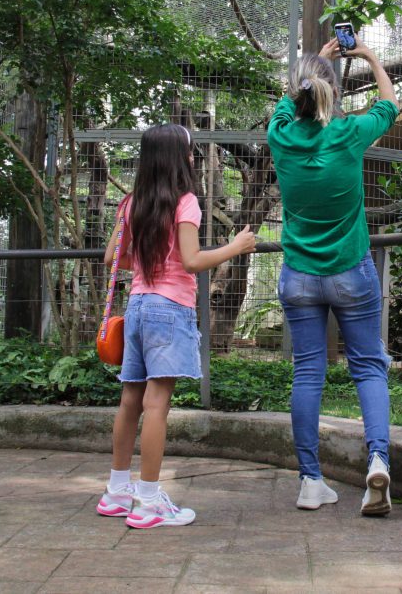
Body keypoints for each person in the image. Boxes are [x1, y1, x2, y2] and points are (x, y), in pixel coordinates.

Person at [96, 123, 257, 529]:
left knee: (131, 401)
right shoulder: (185, 202)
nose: (192, 157)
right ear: (179, 158)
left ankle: (117, 492)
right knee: (156, 406)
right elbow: (191, 261)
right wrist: (235, 247)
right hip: (169, 310)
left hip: (136, 307)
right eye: (190, 152)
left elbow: (113, 258)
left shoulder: (131, 202)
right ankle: (148, 502)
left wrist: (152, 264)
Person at [267, 35, 399, 515]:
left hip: (299, 275)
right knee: (367, 366)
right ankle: (378, 461)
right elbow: (390, 104)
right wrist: (368, 57)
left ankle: (310, 481)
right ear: (335, 95)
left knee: (307, 372)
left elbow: (287, 104)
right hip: (350, 271)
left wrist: (317, 62)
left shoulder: (280, 135)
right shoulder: (349, 134)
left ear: (297, 91)